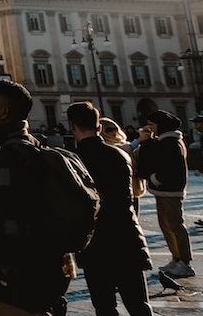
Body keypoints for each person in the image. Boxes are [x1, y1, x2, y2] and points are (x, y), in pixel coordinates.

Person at [0, 79, 78, 314]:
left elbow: (10, 213)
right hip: (48, 259)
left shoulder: (7, 154)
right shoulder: (35, 144)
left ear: (4, 112)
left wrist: (4, 267)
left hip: (23, 265)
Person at [66, 102, 152, 315]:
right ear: (99, 128)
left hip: (94, 242)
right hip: (126, 235)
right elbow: (128, 198)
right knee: (138, 304)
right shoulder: (119, 156)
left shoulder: (71, 161)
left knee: (105, 307)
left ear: (72, 127)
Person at [137, 109, 193, 278]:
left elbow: (169, 166)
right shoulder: (164, 141)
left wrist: (156, 178)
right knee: (167, 225)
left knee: (175, 225)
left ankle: (184, 262)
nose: (150, 128)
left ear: (161, 125)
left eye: (152, 124)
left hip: (170, 190)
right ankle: (177, 258)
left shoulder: (170, 143)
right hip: (164, 190)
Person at [101, 117, 146, 215]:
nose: (113, 132)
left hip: (134, 186)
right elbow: (122, 150)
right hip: (122, 188)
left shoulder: (123, 143)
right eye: (109, 130)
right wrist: (139, 140)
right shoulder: (106, 146)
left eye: (115, 129)